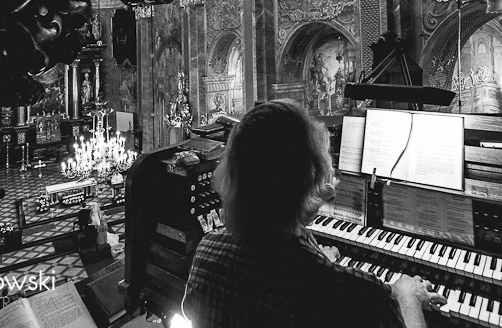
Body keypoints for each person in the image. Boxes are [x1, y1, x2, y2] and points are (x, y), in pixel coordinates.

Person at [182, 100, 445, 328]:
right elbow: (300, 281)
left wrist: (320, 260)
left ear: (232, 175)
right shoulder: (363, 296)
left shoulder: (206, 253)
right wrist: (407, 297)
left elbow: (272, 274)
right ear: (311, 177)